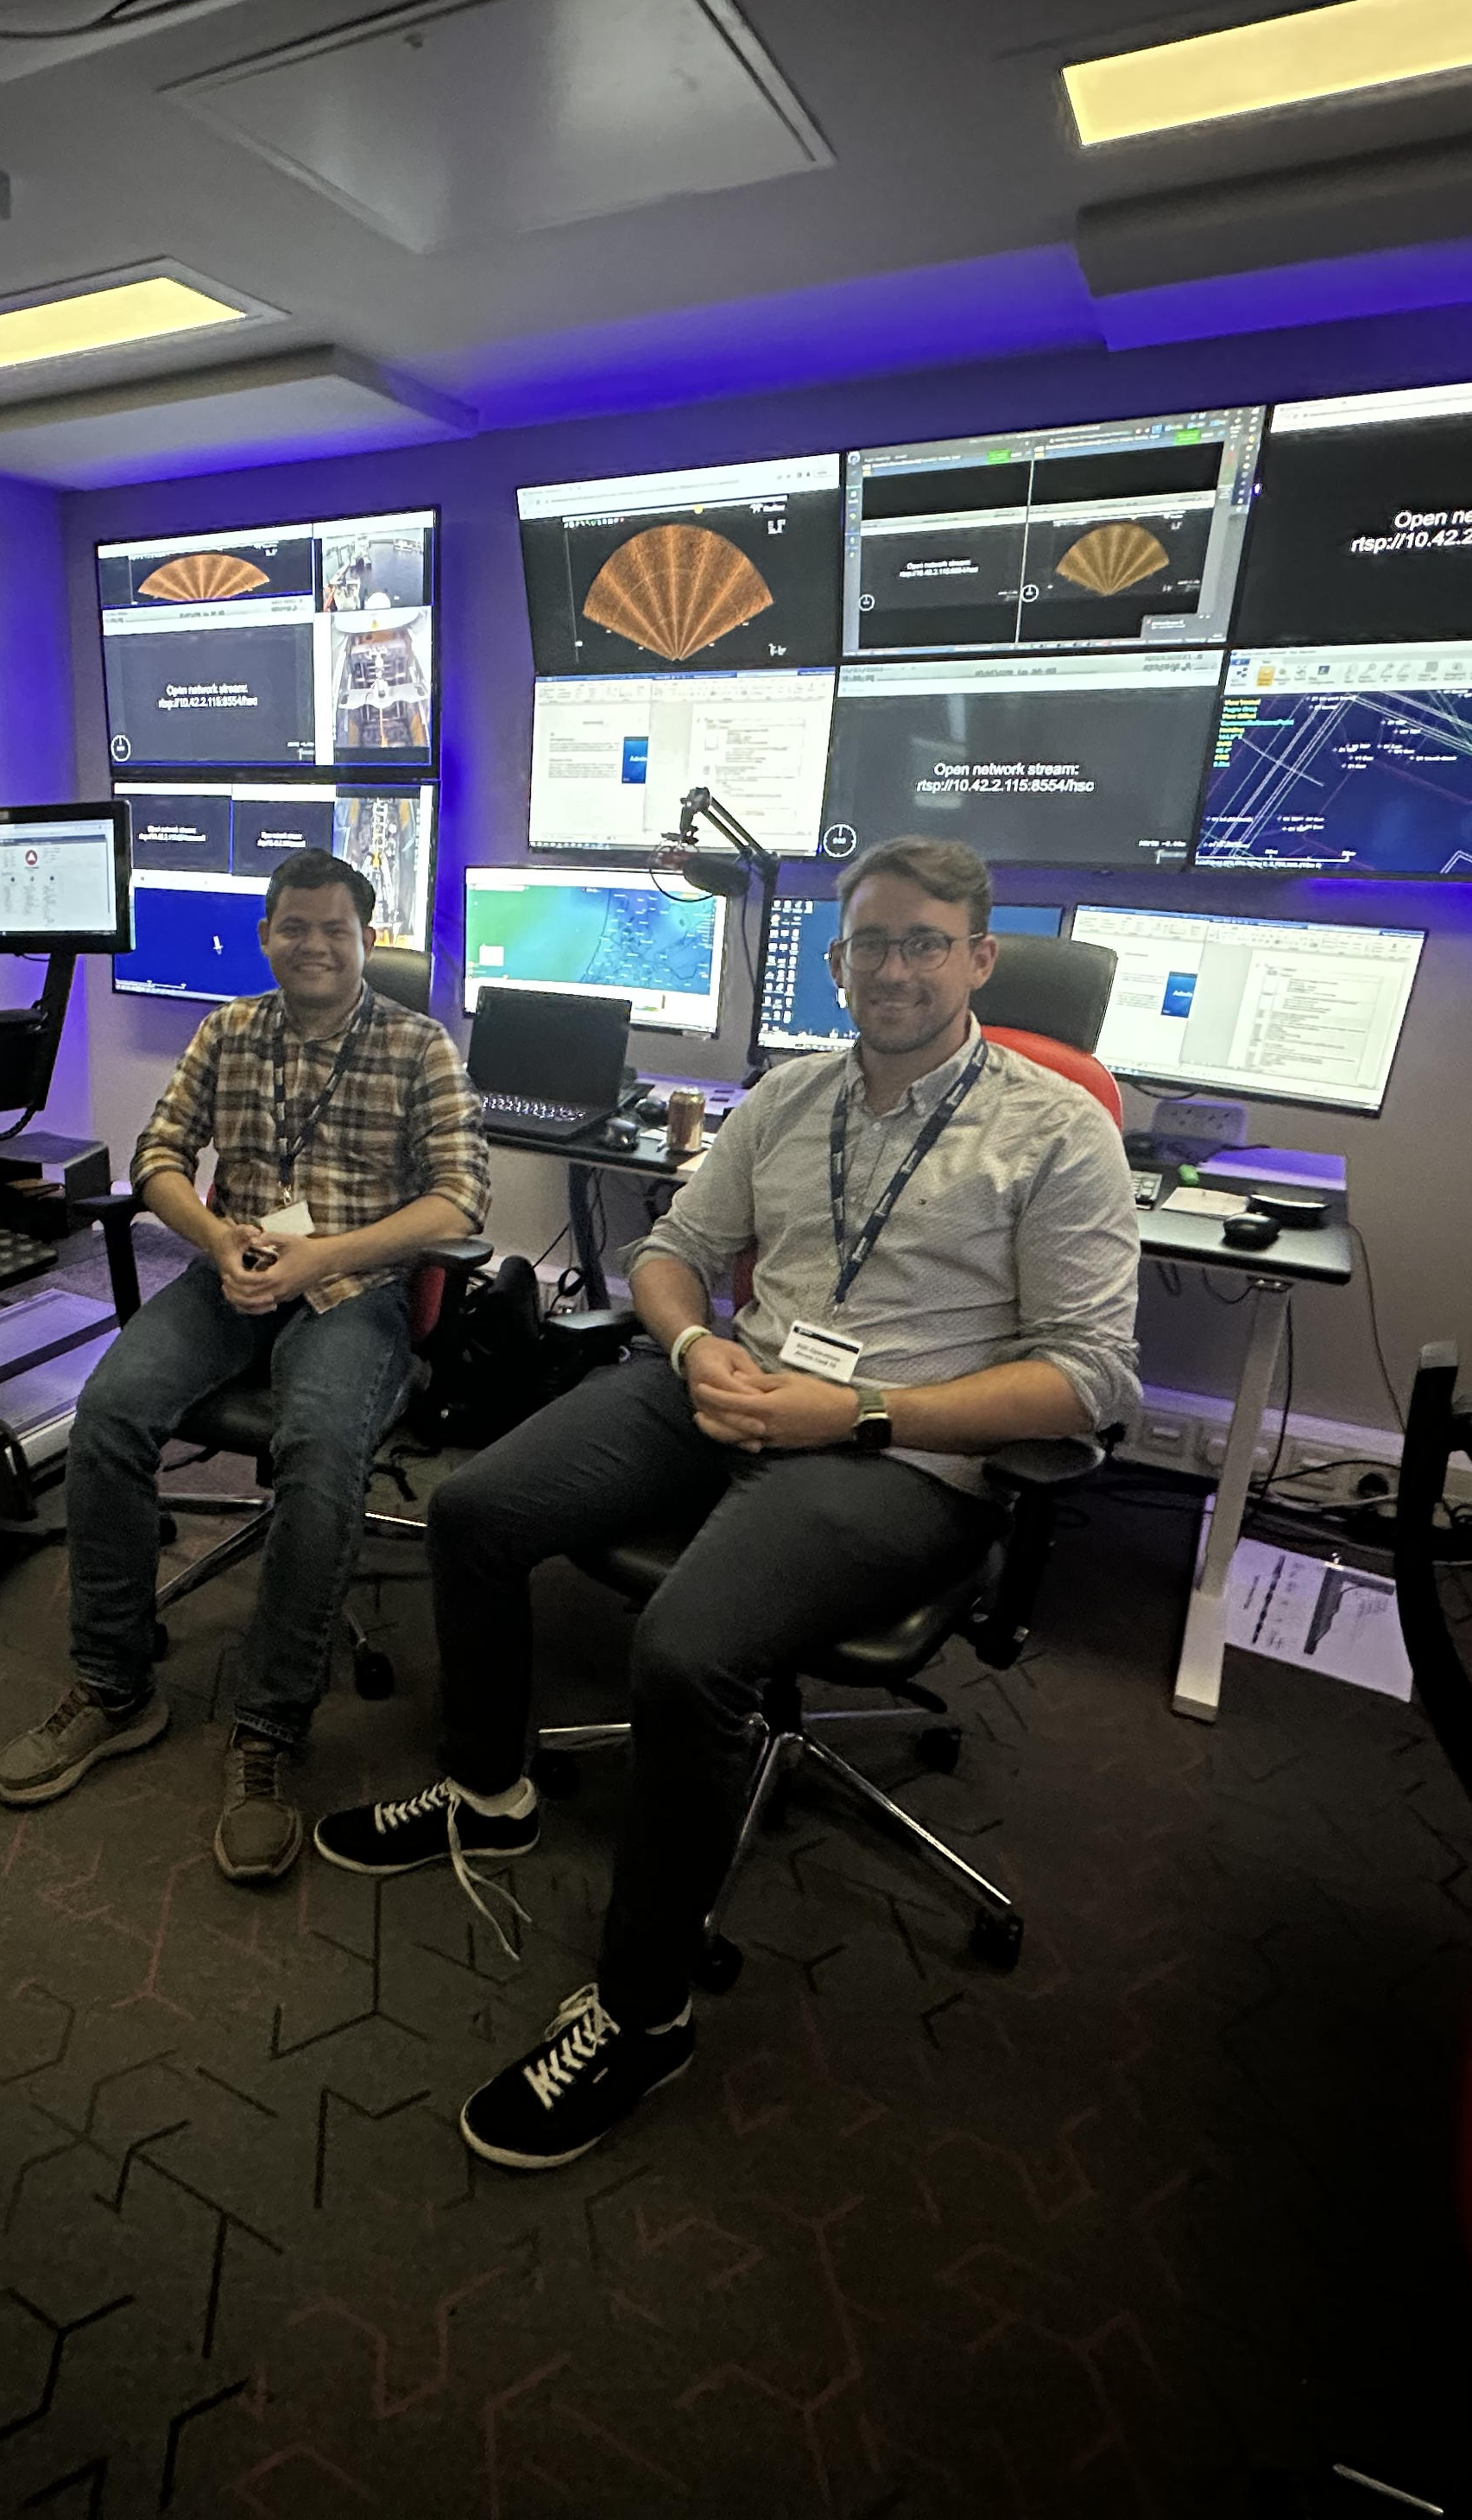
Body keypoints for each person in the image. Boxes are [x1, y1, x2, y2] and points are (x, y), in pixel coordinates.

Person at [313, 836, 1140, 2169]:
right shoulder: (790, 1093)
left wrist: (855, 1412)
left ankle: (644, 2016)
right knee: (476, 1513)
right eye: (871, 942)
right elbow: (671, 1252)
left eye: (927, 941)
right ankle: (489, 1790)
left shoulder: (1060, 1133)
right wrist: (699, 1346)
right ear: (836, 960)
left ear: (982, 959)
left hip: (899, 1453)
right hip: (737, 1382)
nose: (896, 967)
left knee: (687, 1648)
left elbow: (1091, 1384)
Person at [0, 849, 488, 1882]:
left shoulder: (419, 1046)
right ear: (265, 936)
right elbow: (156, 1157)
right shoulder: (228, 1029)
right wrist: (214, 1239)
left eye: (334, 930)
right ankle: (114, 1687)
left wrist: (325, 1256)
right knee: (111, 1410)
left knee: (318, 1450)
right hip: (232, 1270)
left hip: (355, 1286)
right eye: (292, 927)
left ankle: (267, 1730)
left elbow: (460, 1201)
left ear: (365, 940)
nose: (312, 945)